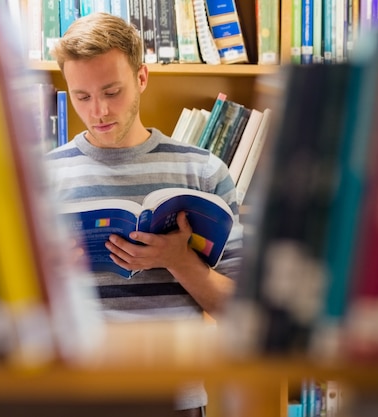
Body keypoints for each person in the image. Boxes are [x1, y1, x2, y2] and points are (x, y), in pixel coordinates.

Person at [44, 12, 243, 417]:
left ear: (141, 78)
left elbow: (242, 310)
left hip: (174, 398)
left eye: (112, 91)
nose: (98, 110)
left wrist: (178, 260)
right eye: (81, 96)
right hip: (72, 394)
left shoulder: (202, 171)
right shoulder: (42, 177)